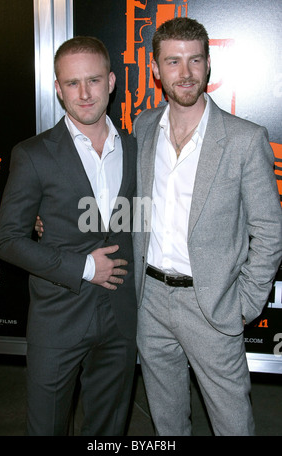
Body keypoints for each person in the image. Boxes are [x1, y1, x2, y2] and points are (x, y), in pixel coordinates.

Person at [133, 17, 282, 436]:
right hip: (150, 300)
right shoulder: (144, 128)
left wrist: (245, 302)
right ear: (156, 69)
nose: (186, 73)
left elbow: (270, 229)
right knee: (166, 420)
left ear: (208, 64)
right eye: (174, 62)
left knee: (232, 422)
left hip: (212, 303)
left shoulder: (244, 139)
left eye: (195, 60)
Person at [0, 36, 137, 436]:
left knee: (109, 431)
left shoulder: (136, 147)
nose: (85, 93)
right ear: (58, 89)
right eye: (72, 83)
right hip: (58, 320)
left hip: (121, 318)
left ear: (111, 81)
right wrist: (83, 267)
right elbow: (8, 240)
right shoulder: (34, 153)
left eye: (93, 80)